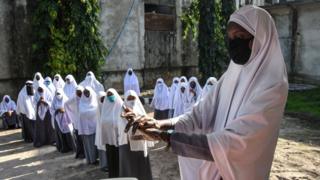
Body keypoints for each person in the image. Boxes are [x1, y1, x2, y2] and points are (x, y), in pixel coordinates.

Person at [122, 5, 288, 180]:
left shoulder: (273, 85)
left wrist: (167, 137)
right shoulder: (233, 73)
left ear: (261, 38)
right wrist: (161, 124)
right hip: (215, 169)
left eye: (239, 36)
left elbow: (237, 143)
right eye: (230, 38)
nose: (233, 43)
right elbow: (200, 114)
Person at [118, 90, 153, 180]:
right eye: (129, 99)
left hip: (140, 143)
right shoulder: (121, 114)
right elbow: (122, 130)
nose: (131, 100)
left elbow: (147, 125)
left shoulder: (141, 111)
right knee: (130, 166)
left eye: (133, 98)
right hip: (127, 145)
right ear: (125, 100)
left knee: (141, 164)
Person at [100, 88, 123, 177]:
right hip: (109, 141)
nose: (110, 97)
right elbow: (102, 124)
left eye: (111, 95)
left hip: (120, 139)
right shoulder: (105, 107)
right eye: (108, 95)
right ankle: (113, 175)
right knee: (111, 159)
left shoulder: (121, 106)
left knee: (119, 159)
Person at [78, 86, 99, 164]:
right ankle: (91, 159)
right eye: (85, 92)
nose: (86, 94)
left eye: (88, 92)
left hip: (95, 127)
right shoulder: (81, 102)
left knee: (97, 144)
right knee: (89, 145)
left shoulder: (95, 101)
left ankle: (98, 158)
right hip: (86, 129)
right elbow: (82, 114)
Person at [51, 88, 75, 153]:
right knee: (60, 133)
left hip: (66, 119)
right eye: (57, 94)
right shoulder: (54, 101)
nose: (58, 95)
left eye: (59, 94)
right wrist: (58, 110)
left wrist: (64, 110)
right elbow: (51, 110)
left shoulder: (66, 99)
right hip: (57, 120)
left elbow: (70, 108)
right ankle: (64, 147)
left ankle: (71, 147)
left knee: (69, 133)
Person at [65, 86, 85, 159]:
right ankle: (81, 153)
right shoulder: (74, 99)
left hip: (84, 122)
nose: (79, 93)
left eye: (80, 92)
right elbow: (66, 104)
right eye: (77, 92)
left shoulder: (85, 98)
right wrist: (72, 114)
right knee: (79, 138)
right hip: (77, 122)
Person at [96, 91, 108, 171]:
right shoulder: (98, 108)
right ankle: (104, 165)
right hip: (101, 131)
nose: (103, 100)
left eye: (105, 98)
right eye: (102, 99)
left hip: (109, 131)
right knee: (103, 149)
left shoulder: (109, 106)